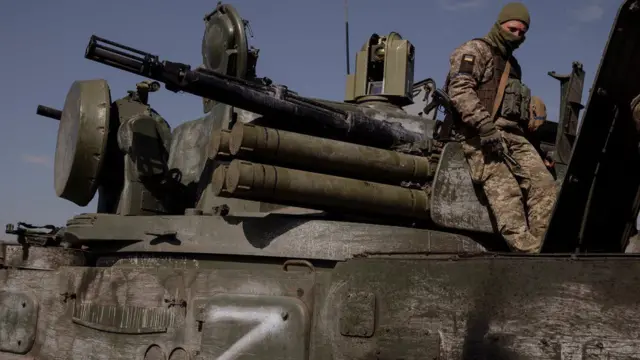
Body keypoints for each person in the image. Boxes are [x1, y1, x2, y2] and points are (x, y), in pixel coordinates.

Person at [444, 2, 557, 253]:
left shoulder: (512, 65)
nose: (517, 36)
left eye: (522, 32)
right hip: (479, 136)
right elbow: (460, 90)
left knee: (546, 187)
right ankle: (526, 253)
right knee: (507, 194)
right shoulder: (474, 50)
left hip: (513, 136)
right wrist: (485, 127)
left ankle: (541, 248)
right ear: (499, 25)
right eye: (512, 29)